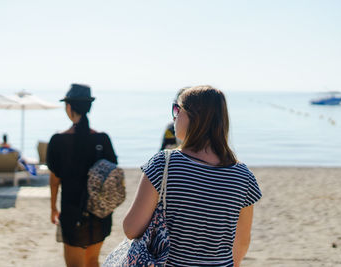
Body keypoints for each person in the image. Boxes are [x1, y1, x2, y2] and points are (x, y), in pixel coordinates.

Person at [123, 85, 262, 266]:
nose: (174, 117)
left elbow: (131, 229)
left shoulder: (163, 164)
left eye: (176, 109)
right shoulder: (243, 176)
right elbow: (242, 242)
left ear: (193, 117)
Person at [47, 84, 117, 267]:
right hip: (100, 213)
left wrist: (53, 207)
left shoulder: (58, 140)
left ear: (69, 107)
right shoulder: (103, 139)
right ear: (88, 107)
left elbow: (55, 180)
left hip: (72, 214)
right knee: (93, 262)